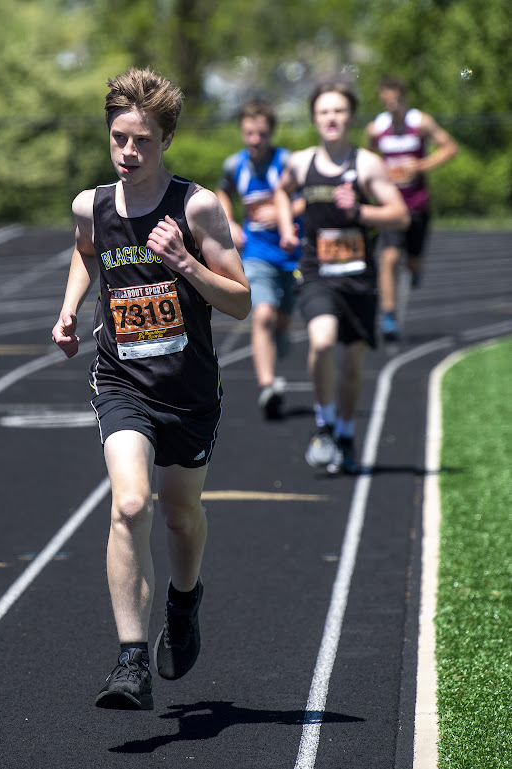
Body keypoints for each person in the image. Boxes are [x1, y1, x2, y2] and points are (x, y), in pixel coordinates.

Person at [52, 66, 251, 710]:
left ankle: (184, 603)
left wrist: (184, 262)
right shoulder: (91, 205)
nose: (129, 152)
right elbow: (86, 252)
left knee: (179, 515)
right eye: (119, 138)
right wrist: (69, 310)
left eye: (142, 140)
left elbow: (240, 302)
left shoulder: (197, 207)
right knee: (131, 504)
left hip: (188, 389)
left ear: (166, 139)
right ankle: (131, 658)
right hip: (122, 379)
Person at [275, 81, 409, 474]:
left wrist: (360, 212)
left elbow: (400, 215)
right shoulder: (301, 162)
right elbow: (282, 192)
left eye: (338, 110)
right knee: (321, 341)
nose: (331, 118)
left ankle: (346, 434)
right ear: (314, 118)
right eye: (323, 111)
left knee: (352, 365)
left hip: (358, 279)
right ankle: (324, 424)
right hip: (316, 272)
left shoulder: (367, 164)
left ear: (350, 116)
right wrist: (286, 227)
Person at [216, 99, 303, 419]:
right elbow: (222, 192)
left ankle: (281, 333)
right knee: (263, 315)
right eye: (249, 133)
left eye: (262, 134)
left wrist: (282, 213)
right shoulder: (234, 165)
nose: (255, 140)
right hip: (256, 255)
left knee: (281, 319)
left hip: (292, 254)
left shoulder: (288, 162)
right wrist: (230, 221)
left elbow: (308, 198)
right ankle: (268, 386)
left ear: (271, 133)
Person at [366, 76, 458, 341]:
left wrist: (420, 166)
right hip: (390, 206)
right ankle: (388, 315)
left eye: (396, 101)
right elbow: (366, 158)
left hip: (417, 203)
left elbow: (450, 147)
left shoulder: (421, 122)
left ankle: (416, 269)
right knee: (389, 256)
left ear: (404, 99)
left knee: (413, 261)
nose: (392, 106)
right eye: (387, 102)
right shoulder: (376, 129)